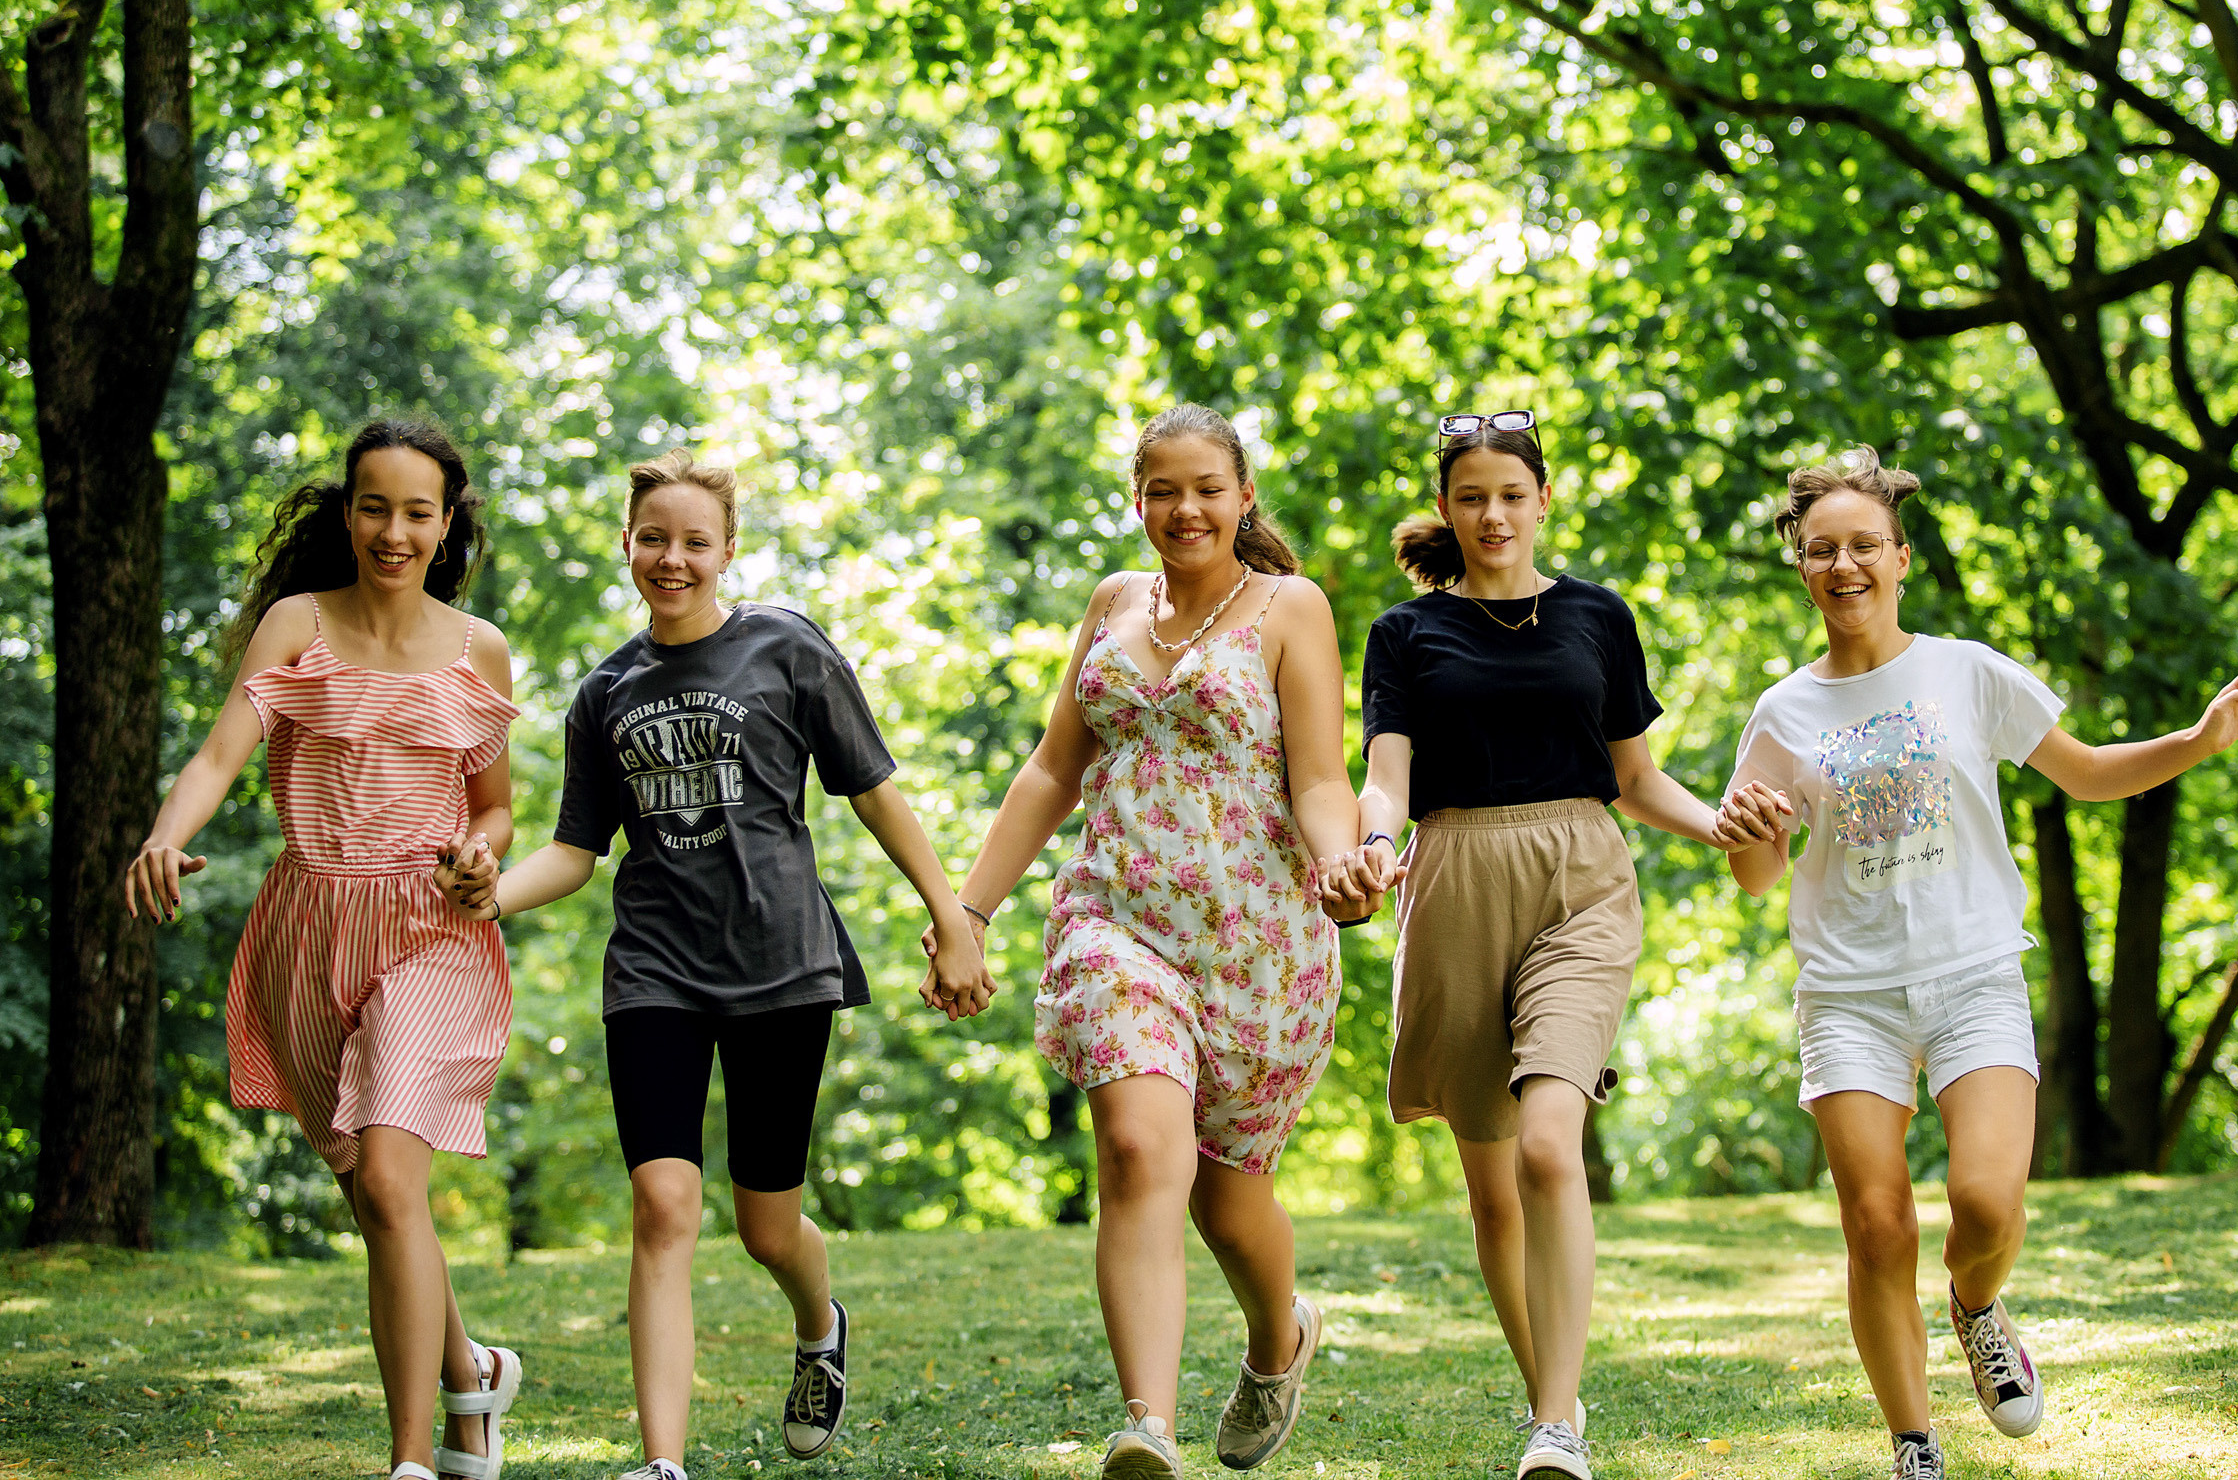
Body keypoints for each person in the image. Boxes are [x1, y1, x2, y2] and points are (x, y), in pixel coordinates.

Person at [1716, 447, 2238, 1480]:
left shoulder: (1967, 671)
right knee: (1877, 1224)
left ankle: (1976, 1303)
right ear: (1801, 568)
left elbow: (2087, 772)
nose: (1843, 565)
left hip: (1973, 971)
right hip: (1849, 993)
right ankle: (1915, 1446)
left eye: (1863, 545)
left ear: (1900, 557)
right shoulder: (1781, 712)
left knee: (1985, 1203)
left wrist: (2202, 738)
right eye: (1821, 550)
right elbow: (1757, 875)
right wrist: (1756, 835)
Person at [440, 448, 992, 1480]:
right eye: (654, 538)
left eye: (695, 541)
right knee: (662, 1205)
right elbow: (574, 850)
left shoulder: (787, 647)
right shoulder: (605, 691)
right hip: (655, 968)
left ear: (728, 549)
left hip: (781, 965)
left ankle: (819, 1322)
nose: (673, 558)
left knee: (766, 1225)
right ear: (626, 543)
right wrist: (491, 894)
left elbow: (871, 788)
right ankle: (662, 1463)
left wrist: (950, 913)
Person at [1340, 410, 1779, 1480]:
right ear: (1446, 507)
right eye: (1472, 497)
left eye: (1511, 494)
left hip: (1581, 877)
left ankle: (1555, 1425)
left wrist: (1721, 822)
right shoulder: (1405, 631)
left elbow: (1636, 777)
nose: (1493, 514)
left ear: (1544, 499)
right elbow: (1386, 775)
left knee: (1548, 1142)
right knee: (1492, 1186)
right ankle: (1556, 1401)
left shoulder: (1597, 615)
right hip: (1452, 877)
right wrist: (1372, 842)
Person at [953, 404, 1364, 1479]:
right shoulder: (1110, 603)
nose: (1186, 509)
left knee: (1229, 1199)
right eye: (1164, 490)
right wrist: (968, 909)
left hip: (1260, 946)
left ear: (1242, 497)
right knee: (1139, 1150)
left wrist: (1340, 862)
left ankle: (1279, 1336)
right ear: (1137, 499)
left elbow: (1322, 776)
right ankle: (1149, 1427)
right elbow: (1053, 768)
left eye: (1207, 489)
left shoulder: (1289, 607)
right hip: (1117, 924)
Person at [125, 418, 523, 1480]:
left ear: (447, 524)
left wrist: (481, 858)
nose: (395, 531)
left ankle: (412, 1460)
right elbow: (220, 754)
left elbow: (495, 807)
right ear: (347, 514)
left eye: (417, 512)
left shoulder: (478, 647)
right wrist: (166, 834)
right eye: (374, 507)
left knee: (391, 1180)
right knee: (375, 1196)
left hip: (429, 930)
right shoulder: (296, 623)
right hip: (307, 929)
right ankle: (474, 1370)